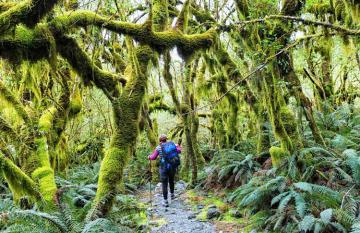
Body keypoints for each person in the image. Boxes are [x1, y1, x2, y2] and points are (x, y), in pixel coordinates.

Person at [148, 134, 181, 207]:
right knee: (171, 180)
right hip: (172, 166)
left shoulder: (158, 147)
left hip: (163, 167)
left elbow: (153, 157)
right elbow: (179, 151)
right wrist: (177, 145)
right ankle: (172, 195)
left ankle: (165, 201)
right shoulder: (172, 145)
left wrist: (149, 157)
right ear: (166, 139)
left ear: (160, 140)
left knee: (164, 183)